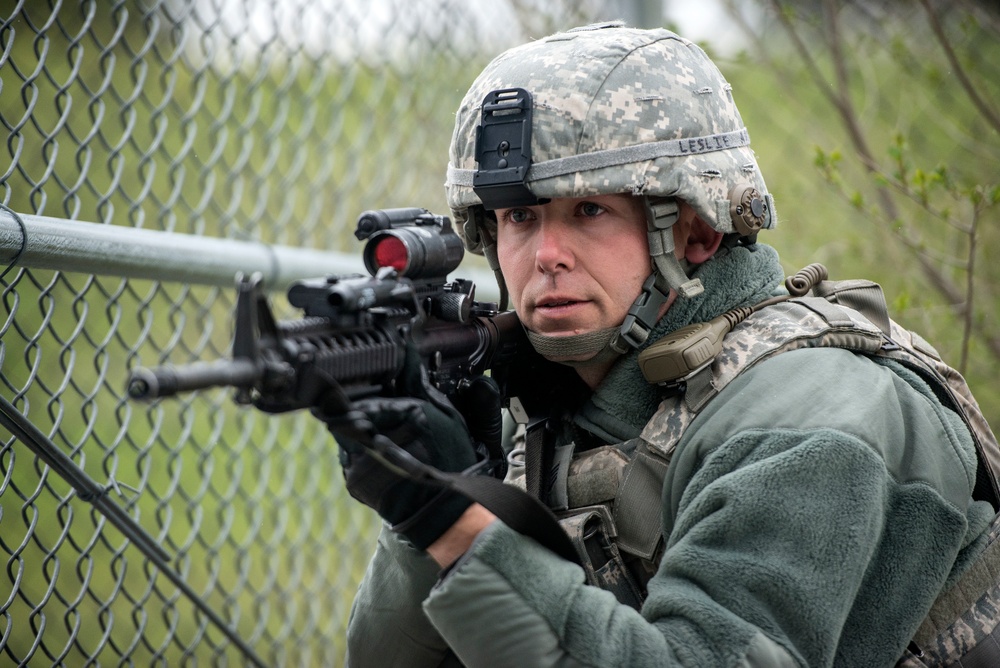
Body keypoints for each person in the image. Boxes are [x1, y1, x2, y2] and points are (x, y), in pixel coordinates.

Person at [320, 23, 1000, 667]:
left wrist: (452, 522)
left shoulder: (812, 419)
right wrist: (449, 494)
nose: (546, 254)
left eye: (589, 211)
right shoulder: (565, 404)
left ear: (698, 233)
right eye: (520, 217)